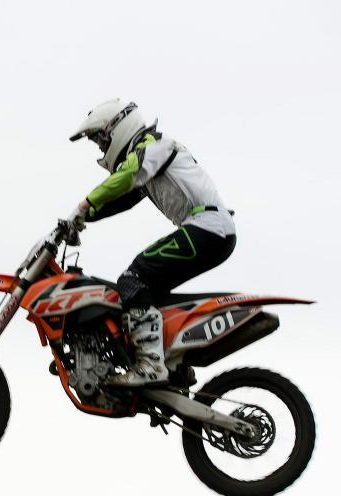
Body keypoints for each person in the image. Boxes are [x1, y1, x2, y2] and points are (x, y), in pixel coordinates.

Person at [63, 99, 237, 387]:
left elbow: (127, 176)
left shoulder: (154, 146)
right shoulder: (148, 158)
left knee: (133, 278)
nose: (102, 149)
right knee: (147, 294)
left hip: (209, 228)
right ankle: (174, 364)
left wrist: (84, 204)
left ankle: (151, 365)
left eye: (101, 141)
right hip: (210, 230)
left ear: (116, 127)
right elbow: (124, 198)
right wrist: (83, 218)